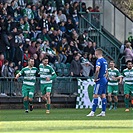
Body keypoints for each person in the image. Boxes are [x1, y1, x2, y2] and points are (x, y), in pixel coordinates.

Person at [87, 48, 108, 117]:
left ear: (96, 53)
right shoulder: (105, 61)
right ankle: (103, 112)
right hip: (104, 79)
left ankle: (92, 112)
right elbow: (107, 71)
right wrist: (105, 77)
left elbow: (97, 69)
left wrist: (95, 78)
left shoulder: (99, 60)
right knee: (103, 95)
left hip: (100, 80)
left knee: (95, 95)